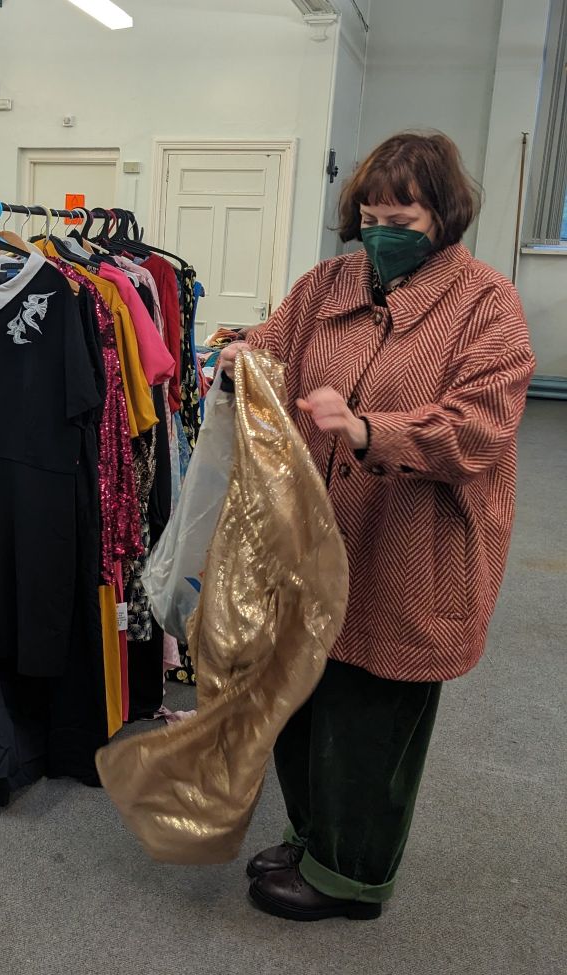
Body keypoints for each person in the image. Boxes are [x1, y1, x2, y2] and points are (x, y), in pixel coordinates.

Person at [219, 131, 535, 921]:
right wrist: (243, 357)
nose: (381, 229)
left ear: (443, 216)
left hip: (410, 547)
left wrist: (368, 430)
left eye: (402, 217)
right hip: (313, 539)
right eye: (370, 213)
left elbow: (478, 428)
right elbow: (275, 345)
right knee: (300, 696)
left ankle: (351, 876)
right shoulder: (329, 283)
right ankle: (312, 835)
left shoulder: (487, 304)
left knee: (371, 718)